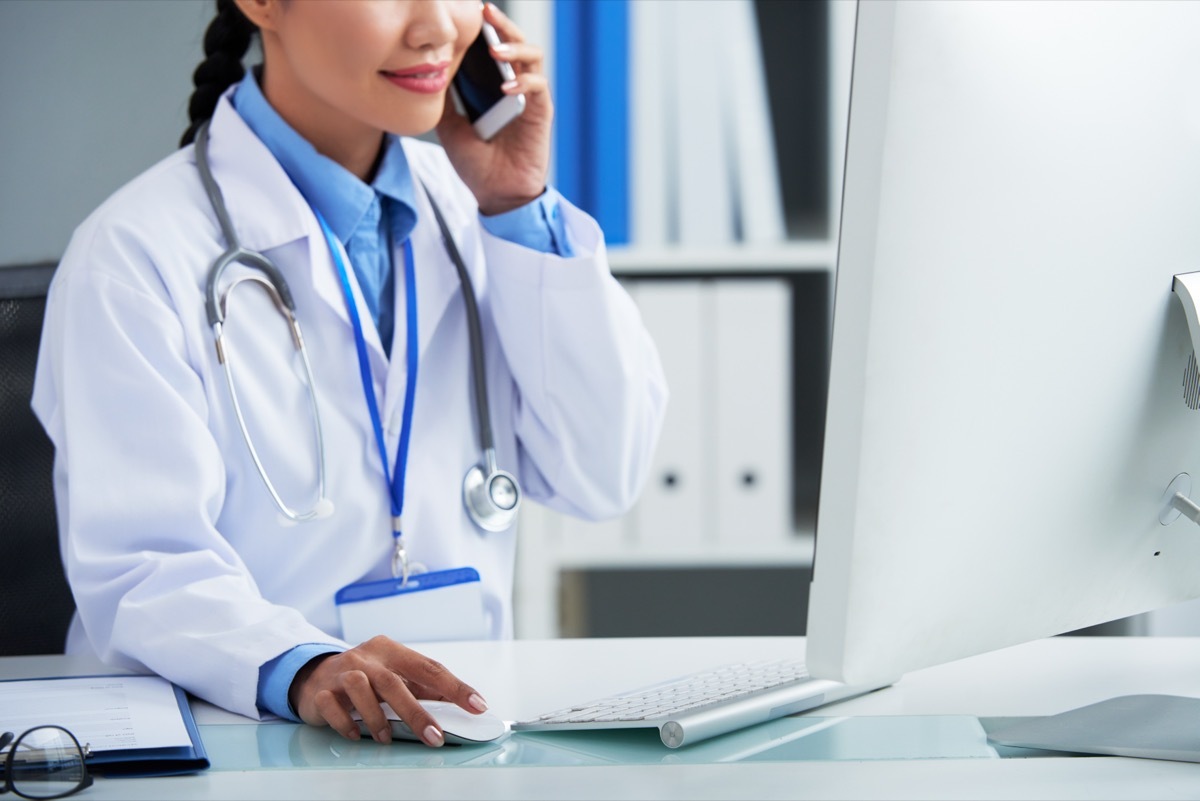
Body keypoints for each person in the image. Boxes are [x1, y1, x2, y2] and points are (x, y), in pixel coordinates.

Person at [31, 0, 666, 748]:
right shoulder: (134, 255)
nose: (437, 26)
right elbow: (143, 569)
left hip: (457, 742)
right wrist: (302, 666)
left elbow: (602, 473)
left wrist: (516, 203)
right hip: (233, 748)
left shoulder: (480, 208)